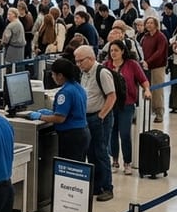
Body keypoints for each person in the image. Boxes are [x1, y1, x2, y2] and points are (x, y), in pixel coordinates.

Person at [74, 45, 116, 202]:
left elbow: (112, 96)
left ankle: (107, 187)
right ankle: (96, 185)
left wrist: (101, 116)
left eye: (80, 61)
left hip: (100, 118)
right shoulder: (84, 73)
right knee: (91, 153)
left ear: (90, 58)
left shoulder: (102, 73)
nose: (78, 64)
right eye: (76, 61)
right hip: (87, 117)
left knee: (101, 152)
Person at [29, 57, 89, 162]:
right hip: (82, 133)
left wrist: (40, 116)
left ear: (60, 75)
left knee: (68, 169)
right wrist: (52, 113)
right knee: (77, 169)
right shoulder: (77, 87)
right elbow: (71, 111)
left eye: (53, 74)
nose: (52, 77)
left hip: (71, 136)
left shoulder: (65, 92)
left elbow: (60, 119)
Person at [104, 40, 149, 175]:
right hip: (110, 104)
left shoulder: (132, 65)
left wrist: (147, 90)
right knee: (112, 132)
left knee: (124, 133)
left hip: (127, 104)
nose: (113, 53)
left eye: (116, 50)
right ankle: (115, 160)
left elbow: (143, 79)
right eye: (111, 51)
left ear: (123, 51)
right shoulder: (106, 65)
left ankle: (127, 162)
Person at [140, 17, 169, 123]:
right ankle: (148, 111)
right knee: (146, 90)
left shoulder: (161, 37)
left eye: (151, 23)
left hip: (157, 67)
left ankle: (159, 113)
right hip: (145, 67)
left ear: (156, 25)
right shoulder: (145, 37)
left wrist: (149, 61)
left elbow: (159, 52)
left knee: (157, 91)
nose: (149, 25)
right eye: (147, 23)